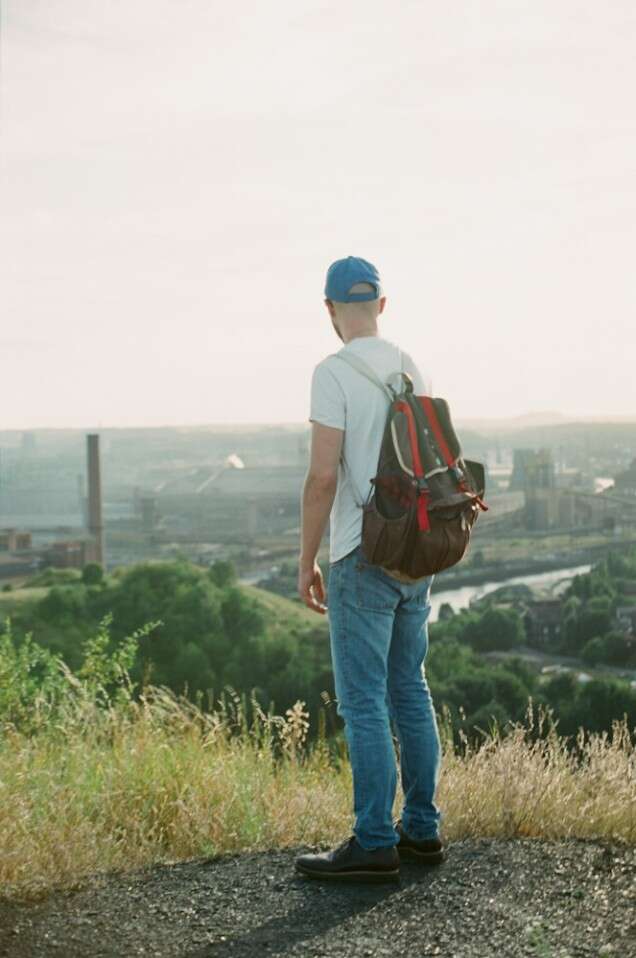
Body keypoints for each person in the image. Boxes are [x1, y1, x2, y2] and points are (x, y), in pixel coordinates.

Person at [295, 255, 445, 883]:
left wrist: (307, 560)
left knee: (363, 704)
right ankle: (422, 830)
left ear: (330, 310)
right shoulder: (411, 365)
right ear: (382, 306)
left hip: (362, 554)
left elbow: (323, 477)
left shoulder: (332, 373)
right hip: (416, 550)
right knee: (410, 688)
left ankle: (373, 840)